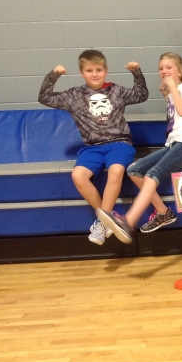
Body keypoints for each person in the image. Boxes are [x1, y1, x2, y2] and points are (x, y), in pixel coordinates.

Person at [38, 49, 148, 245]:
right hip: (92, 147)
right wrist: (54, 75)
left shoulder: (116, 91)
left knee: (116, 170)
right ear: (82, 73)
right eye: (89, 70)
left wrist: (136, 72)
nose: (95, 74)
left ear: (106, 71)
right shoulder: (74, 95)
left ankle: (102, 222)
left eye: (99, 70)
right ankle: (107, 220)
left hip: (119, 143)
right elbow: (45, 98)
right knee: (78, 175)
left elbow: (141, 95)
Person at [98, 53, 182, 244]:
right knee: (134, 170)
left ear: (179, 72)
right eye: (161, 68)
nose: (164, 71)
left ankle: (128, 221)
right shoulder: (174, 92)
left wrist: (172, 88)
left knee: (152, 175)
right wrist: (168, 95)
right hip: (174, 144)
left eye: (169, 67)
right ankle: (163, 212)